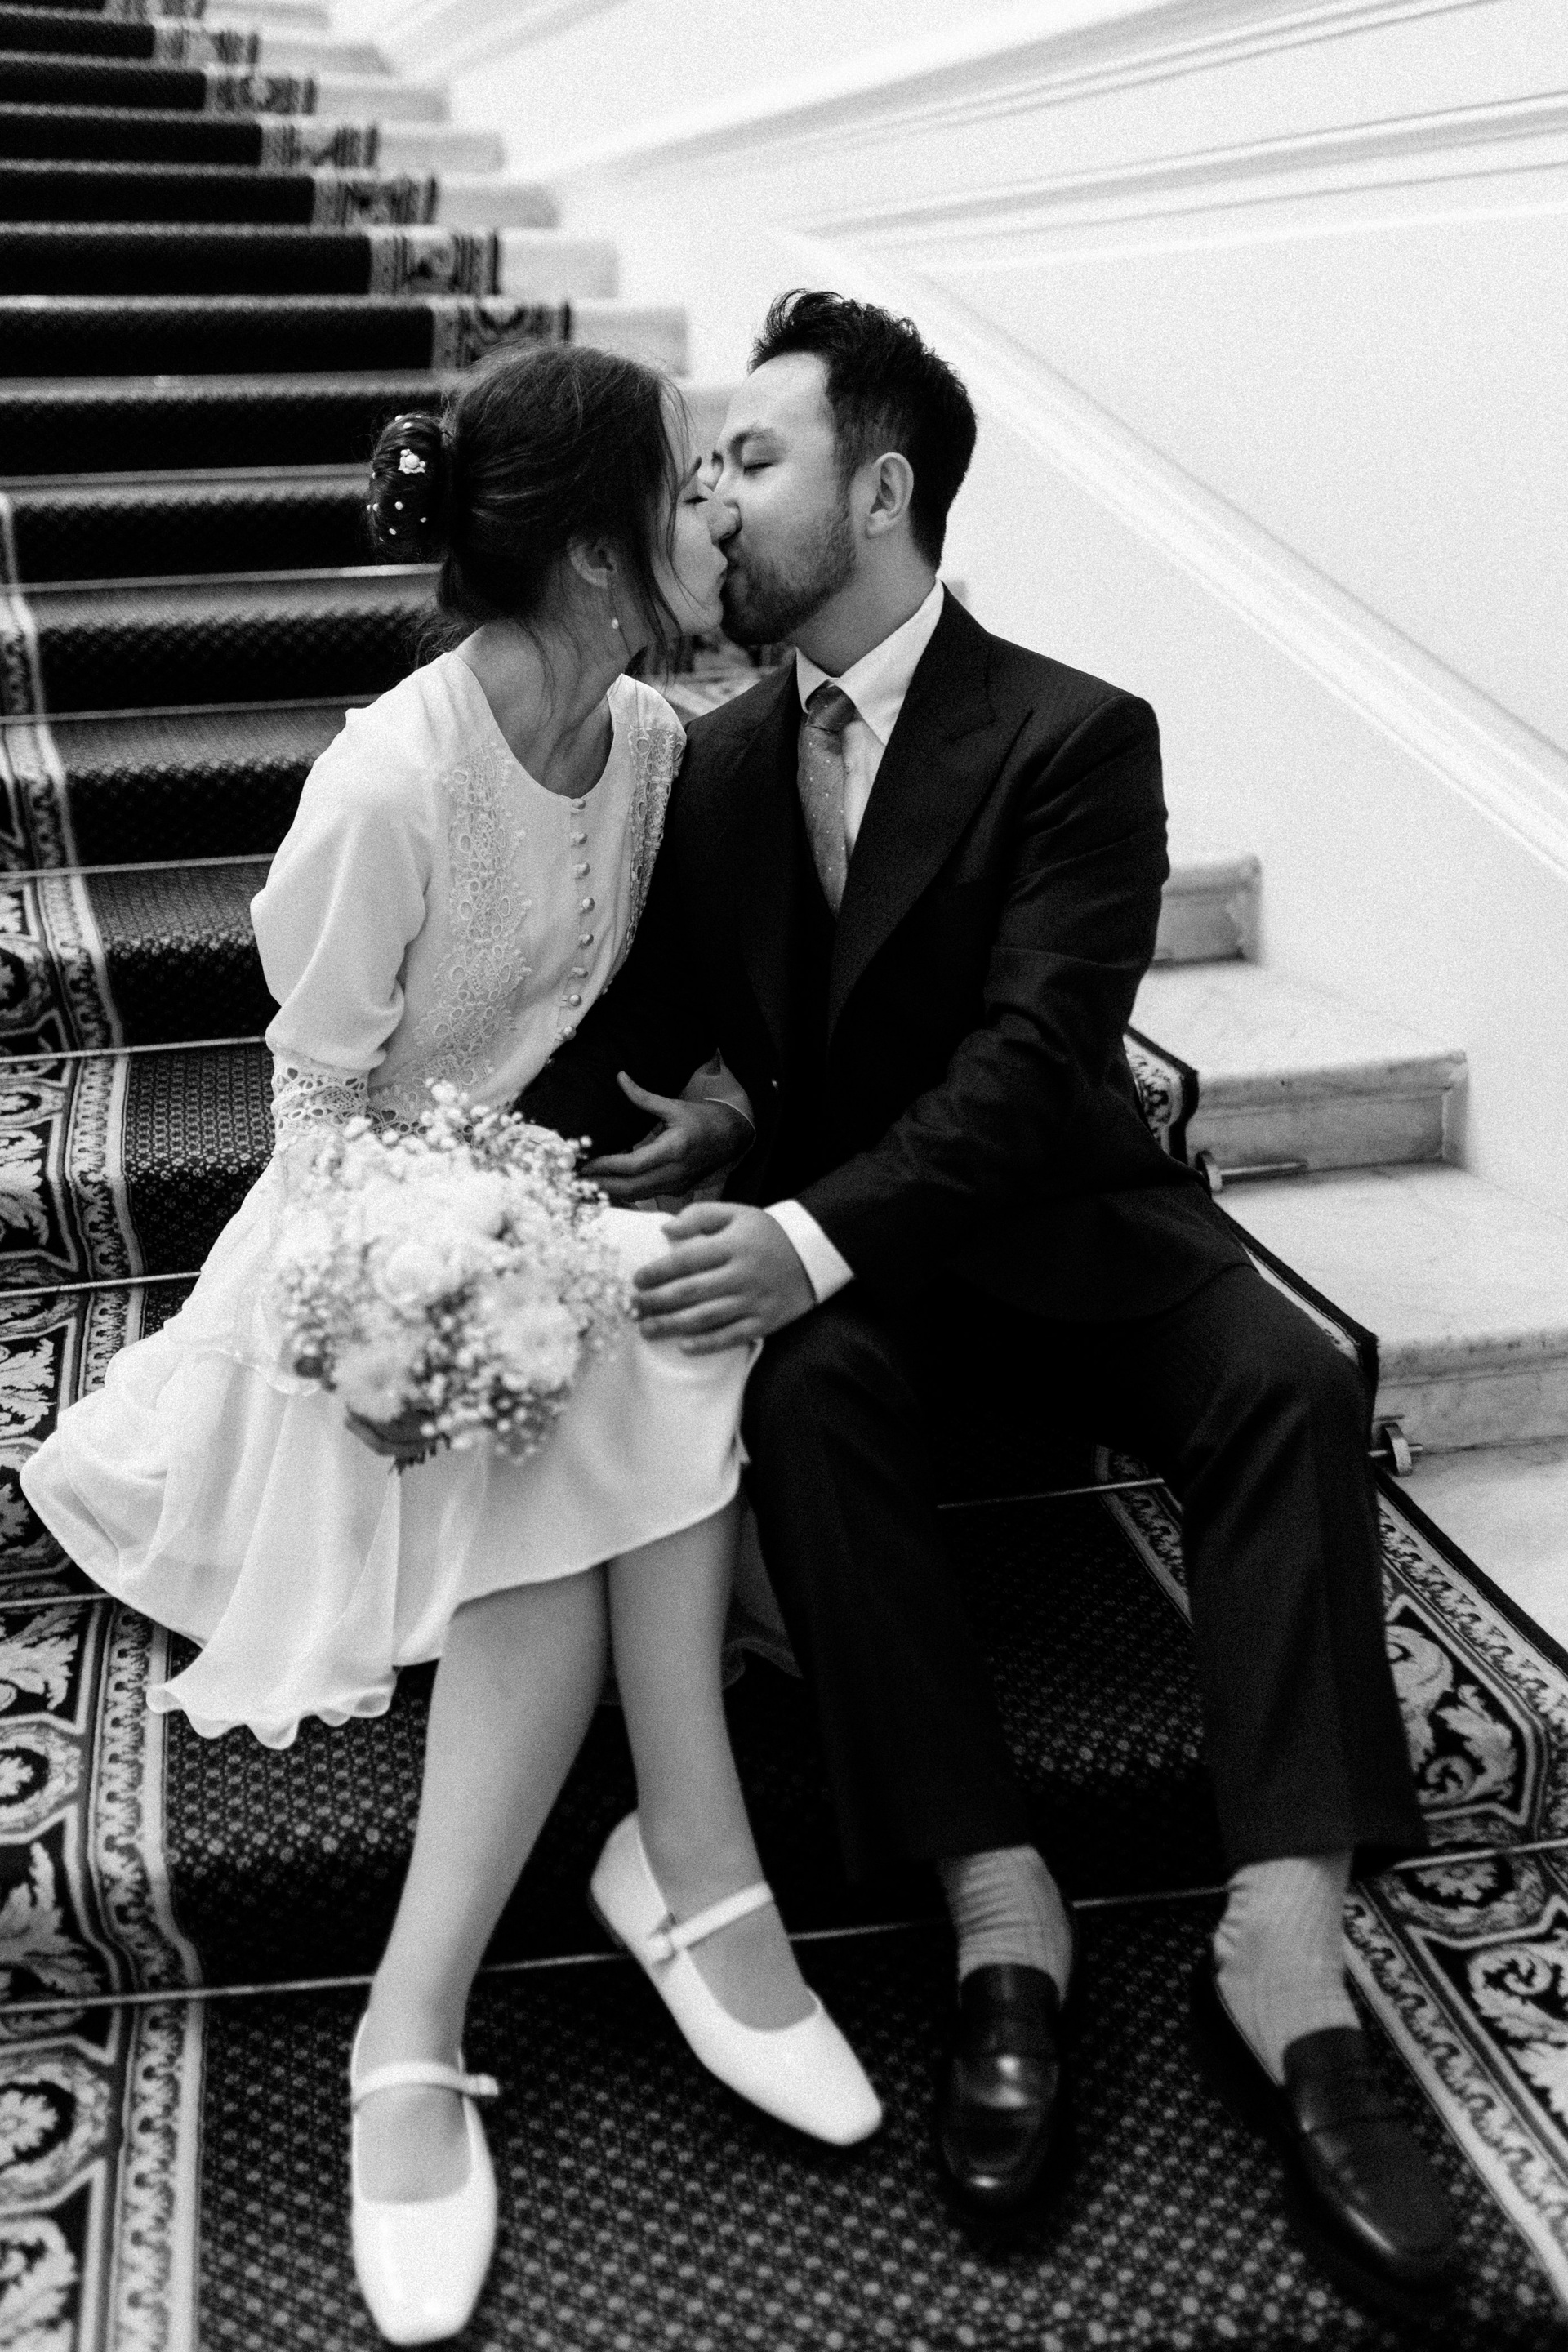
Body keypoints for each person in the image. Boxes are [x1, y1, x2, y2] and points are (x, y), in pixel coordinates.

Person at [522, 291, 1460, 2314]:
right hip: (872, 1286)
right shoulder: (719, 761)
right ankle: (998, 1904)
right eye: (704, 468)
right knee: (807, 1393)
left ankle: (1285, 1954)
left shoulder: (1072, 732)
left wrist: (804, 1224)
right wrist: (613, 1139)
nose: (715, 499)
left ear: (880, 491)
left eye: (751, 459)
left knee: (1291, 1376)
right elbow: (670, 1033)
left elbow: (1036, 1069)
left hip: (1061, 1224)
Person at [20, 344, 880, 2350]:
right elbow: (314, 1115)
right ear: (595, 556)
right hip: (357, 1260)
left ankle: (556, 1943)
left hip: (523, 1204)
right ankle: (581, 1933)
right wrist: (460, 1259)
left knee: (653, 1308)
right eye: (689, 485)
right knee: (594, 1364)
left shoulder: (655, 743)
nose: (720, 513)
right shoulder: (385, 783)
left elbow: (683, 1010)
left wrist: (717, 1120)